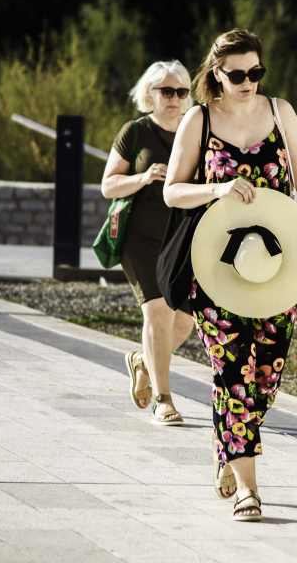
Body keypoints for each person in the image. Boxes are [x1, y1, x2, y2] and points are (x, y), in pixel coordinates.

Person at [163, 29, 297, 522]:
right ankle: (249, 488)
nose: (249, 82)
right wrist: (218, 188)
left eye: (256, 72)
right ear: (216, 75)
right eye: (238, 74)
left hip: (276, 267)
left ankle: (226, 440)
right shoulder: (198, 120)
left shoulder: (280, 113)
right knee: (233, 372)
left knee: (265, 376)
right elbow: (172, 191)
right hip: (216, 267)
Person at [102, 60, 196, 426]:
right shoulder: (135, 132)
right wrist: (142, 177)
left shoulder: (195, 132)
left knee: (184, 324)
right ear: (150, 94)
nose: (174, 99)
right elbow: (108, 186)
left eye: (182, 91)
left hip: (181, 238)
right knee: (158, 311)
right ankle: (163, 399)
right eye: (166, 91)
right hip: (140, 237)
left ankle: (143, 361)